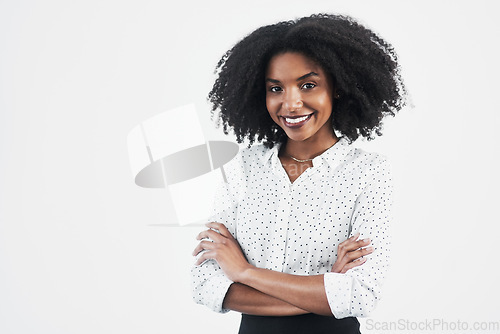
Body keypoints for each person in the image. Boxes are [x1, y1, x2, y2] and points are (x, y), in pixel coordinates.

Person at [191, 13, 407, 334]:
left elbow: (360, 295)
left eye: (308, 85)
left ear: (336, 87)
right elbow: (205, 285)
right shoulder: (243, 168)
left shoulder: (368, 173)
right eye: (275, 88)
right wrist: (323, 289)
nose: (290, 103)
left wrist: (244, 272)